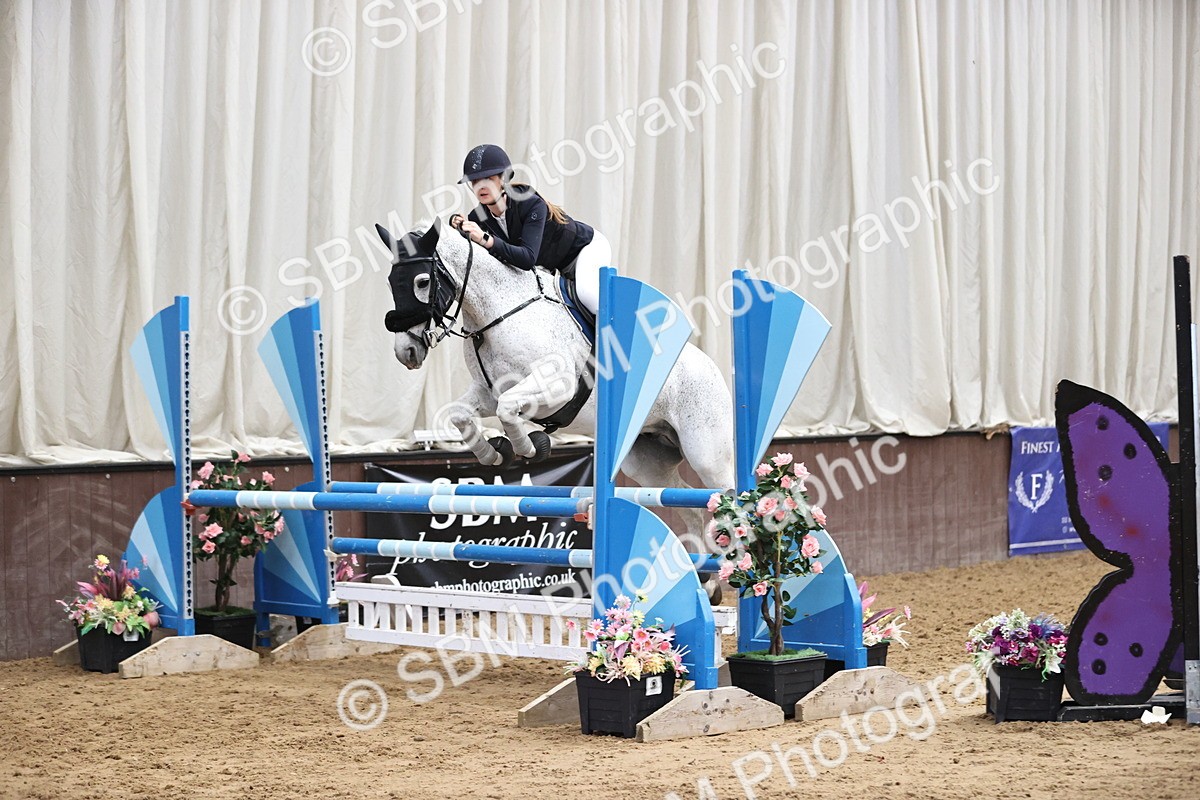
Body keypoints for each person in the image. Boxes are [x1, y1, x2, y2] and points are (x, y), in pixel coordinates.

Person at [449, 144, 611, 319]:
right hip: (553, 266)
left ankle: (614, 343)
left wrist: (485, 239)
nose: (480, 186)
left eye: (487, 179)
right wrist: (459, 227)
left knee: (587, 295)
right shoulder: (478, 216)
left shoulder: (531, 203)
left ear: (503, 179)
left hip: (584, 249)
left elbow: (527, 258)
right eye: (474, 181)